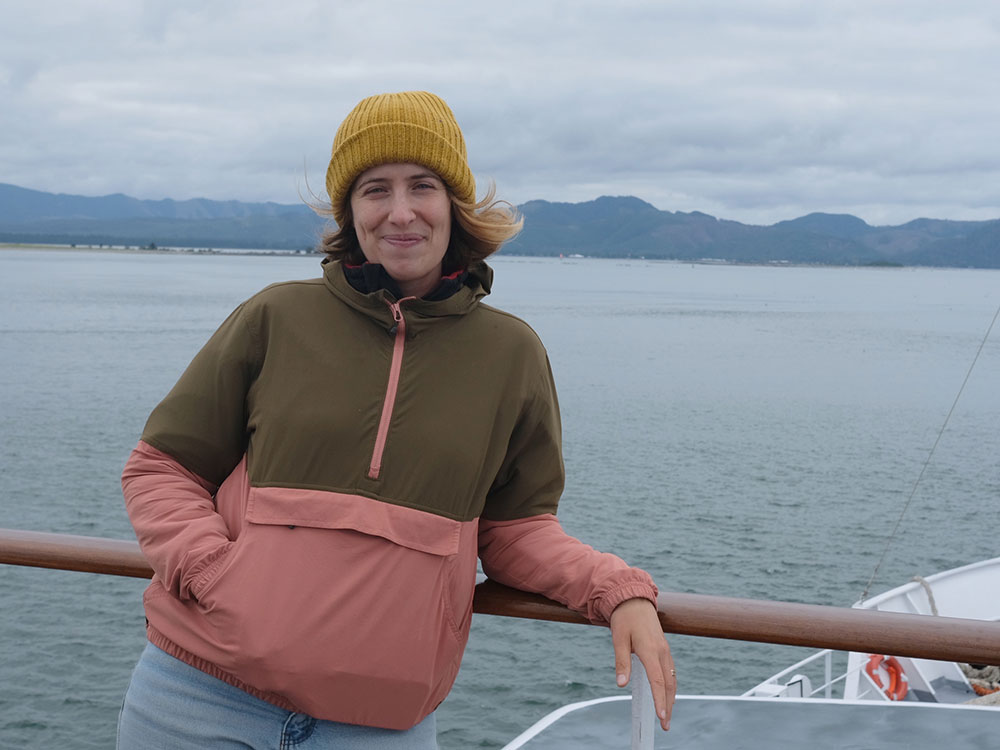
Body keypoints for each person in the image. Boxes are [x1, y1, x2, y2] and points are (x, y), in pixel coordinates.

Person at [118, 90, 675, 749]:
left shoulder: (510, 354)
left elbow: (515, 529)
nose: (401, 211)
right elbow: (162, 467)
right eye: (375, 189)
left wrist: (618, 589)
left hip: (378, 728)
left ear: (455, 205)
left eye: (423, 186)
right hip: (196, 700)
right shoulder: (275, 317)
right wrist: (208, 567)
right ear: (350, 211)